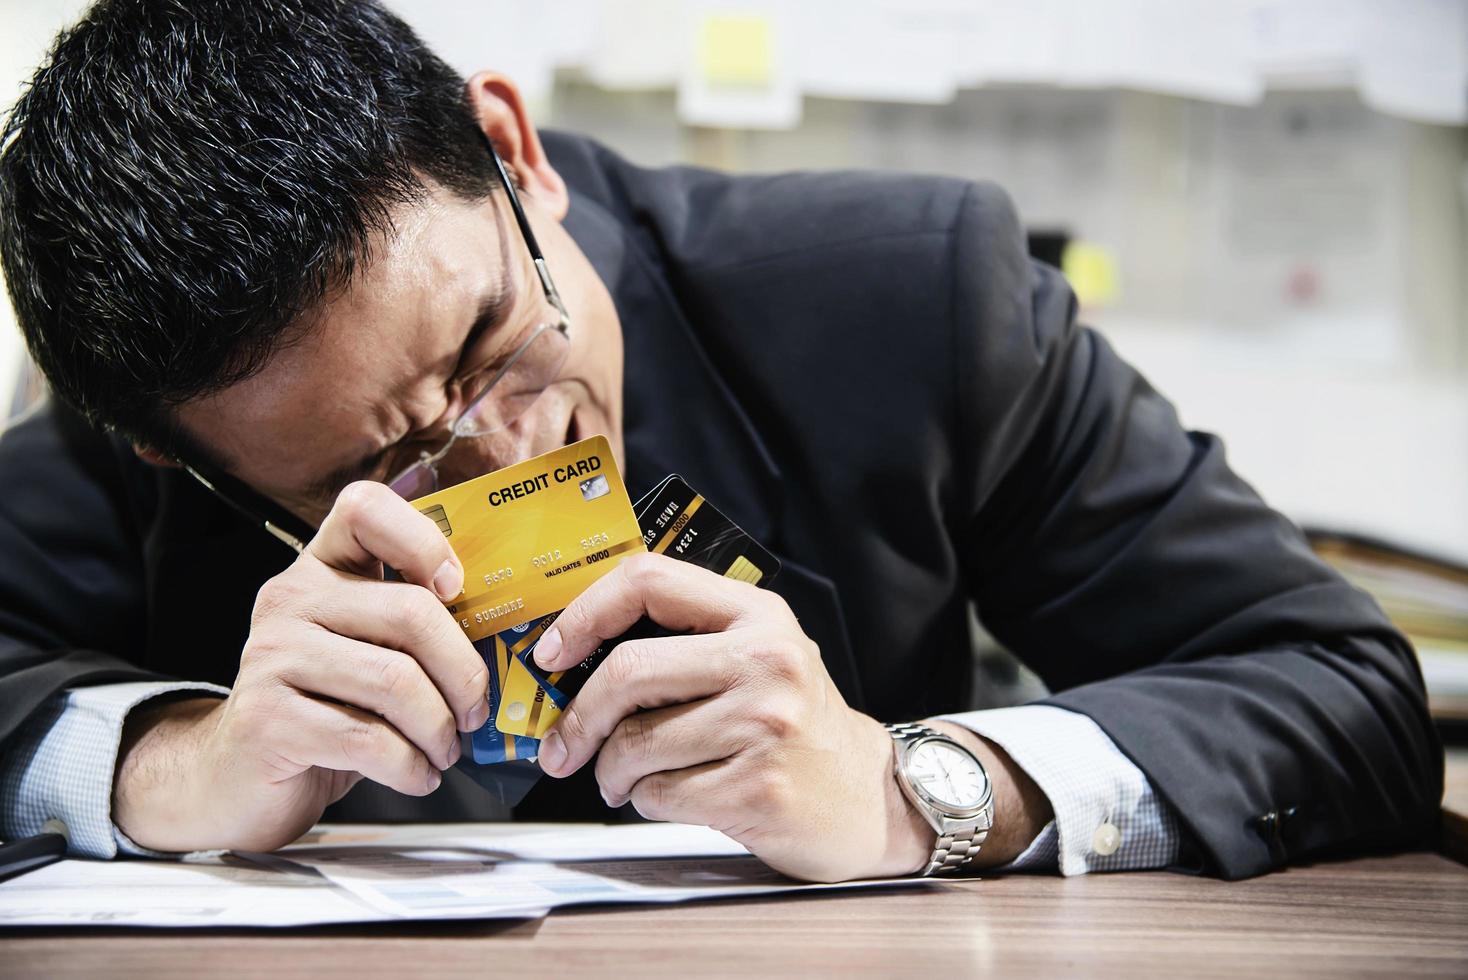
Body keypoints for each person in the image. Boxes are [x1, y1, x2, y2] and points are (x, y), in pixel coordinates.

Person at [0, 0, 1441, 884]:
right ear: (176, 465)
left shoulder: (911, 296)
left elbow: (1338, 688)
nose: (495, 461)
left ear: (514, 155)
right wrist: (169, 766)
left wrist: (919, 791)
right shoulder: (163, 400)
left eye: (493, 343)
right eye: (368, 476)